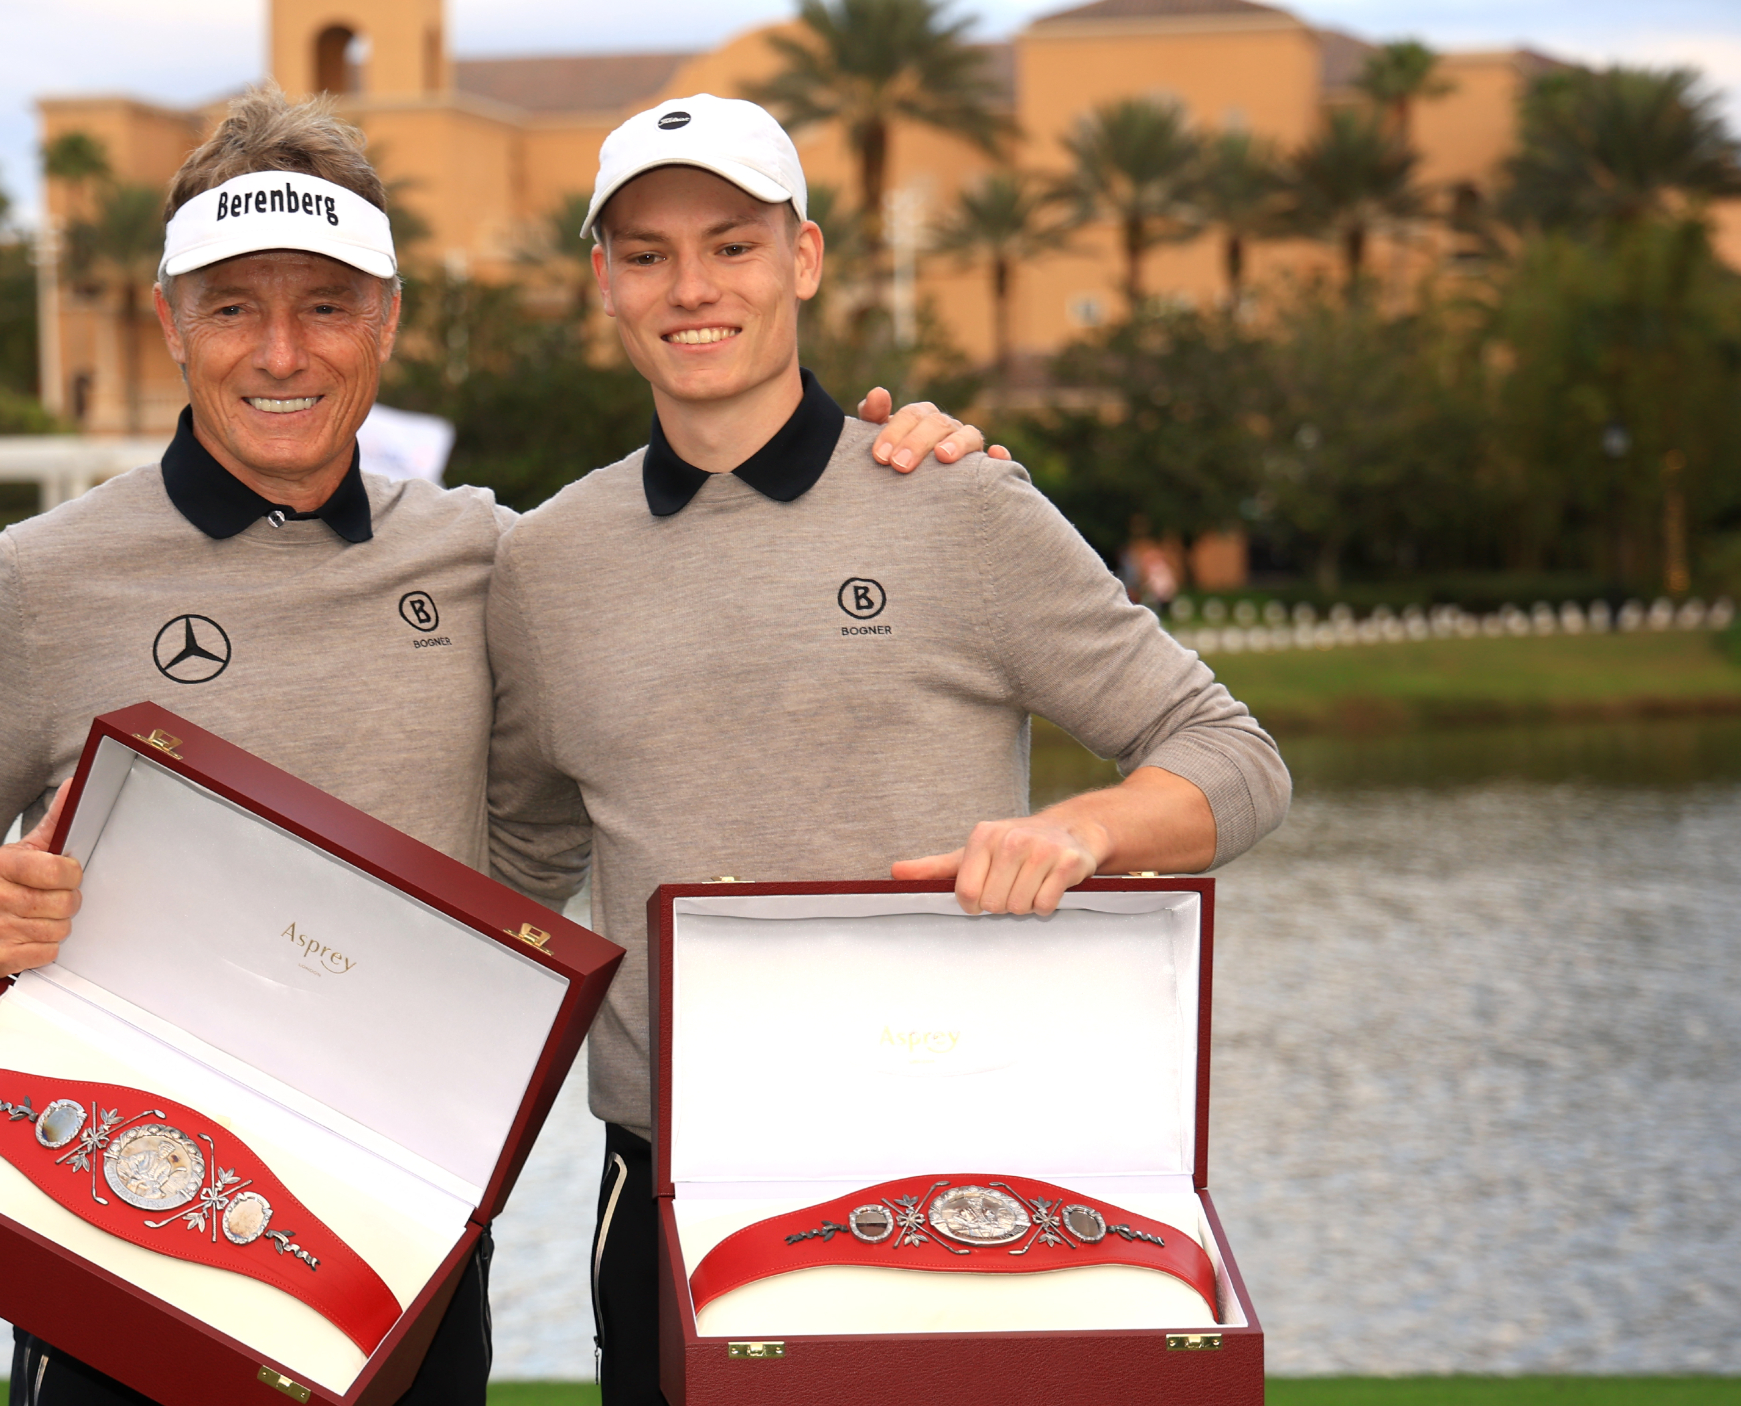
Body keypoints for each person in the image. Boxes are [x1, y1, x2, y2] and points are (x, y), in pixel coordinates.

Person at [0, 86, 997, 1406]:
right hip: (113, 1198)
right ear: (170, 321)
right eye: (233, 308)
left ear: (386, 321)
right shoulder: (43, 580)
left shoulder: (487, 555)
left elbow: (574, 770)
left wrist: (896, 478)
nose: (282, 353)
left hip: (403, 1217)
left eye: (327, 307)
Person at [479, 94, 1295, 1405]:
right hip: (669, 1183)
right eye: (648, 253)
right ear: (604, 282)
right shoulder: (545, 562)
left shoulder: (958, 499)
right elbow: (520, 862)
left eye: (733, 245)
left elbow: (1234, 756)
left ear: (802, 259)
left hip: (960, 1163)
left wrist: (1079, 831)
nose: (692, 288)